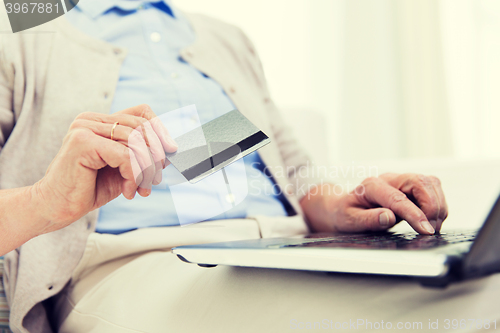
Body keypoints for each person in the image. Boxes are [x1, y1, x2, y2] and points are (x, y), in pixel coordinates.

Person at [0, 1, 448, 332]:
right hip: (139, 262)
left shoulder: (223, 36)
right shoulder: (18, 27)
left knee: (465, 292)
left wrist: (341, 204)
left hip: (287, 247)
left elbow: (294, 172)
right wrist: (45, 201)